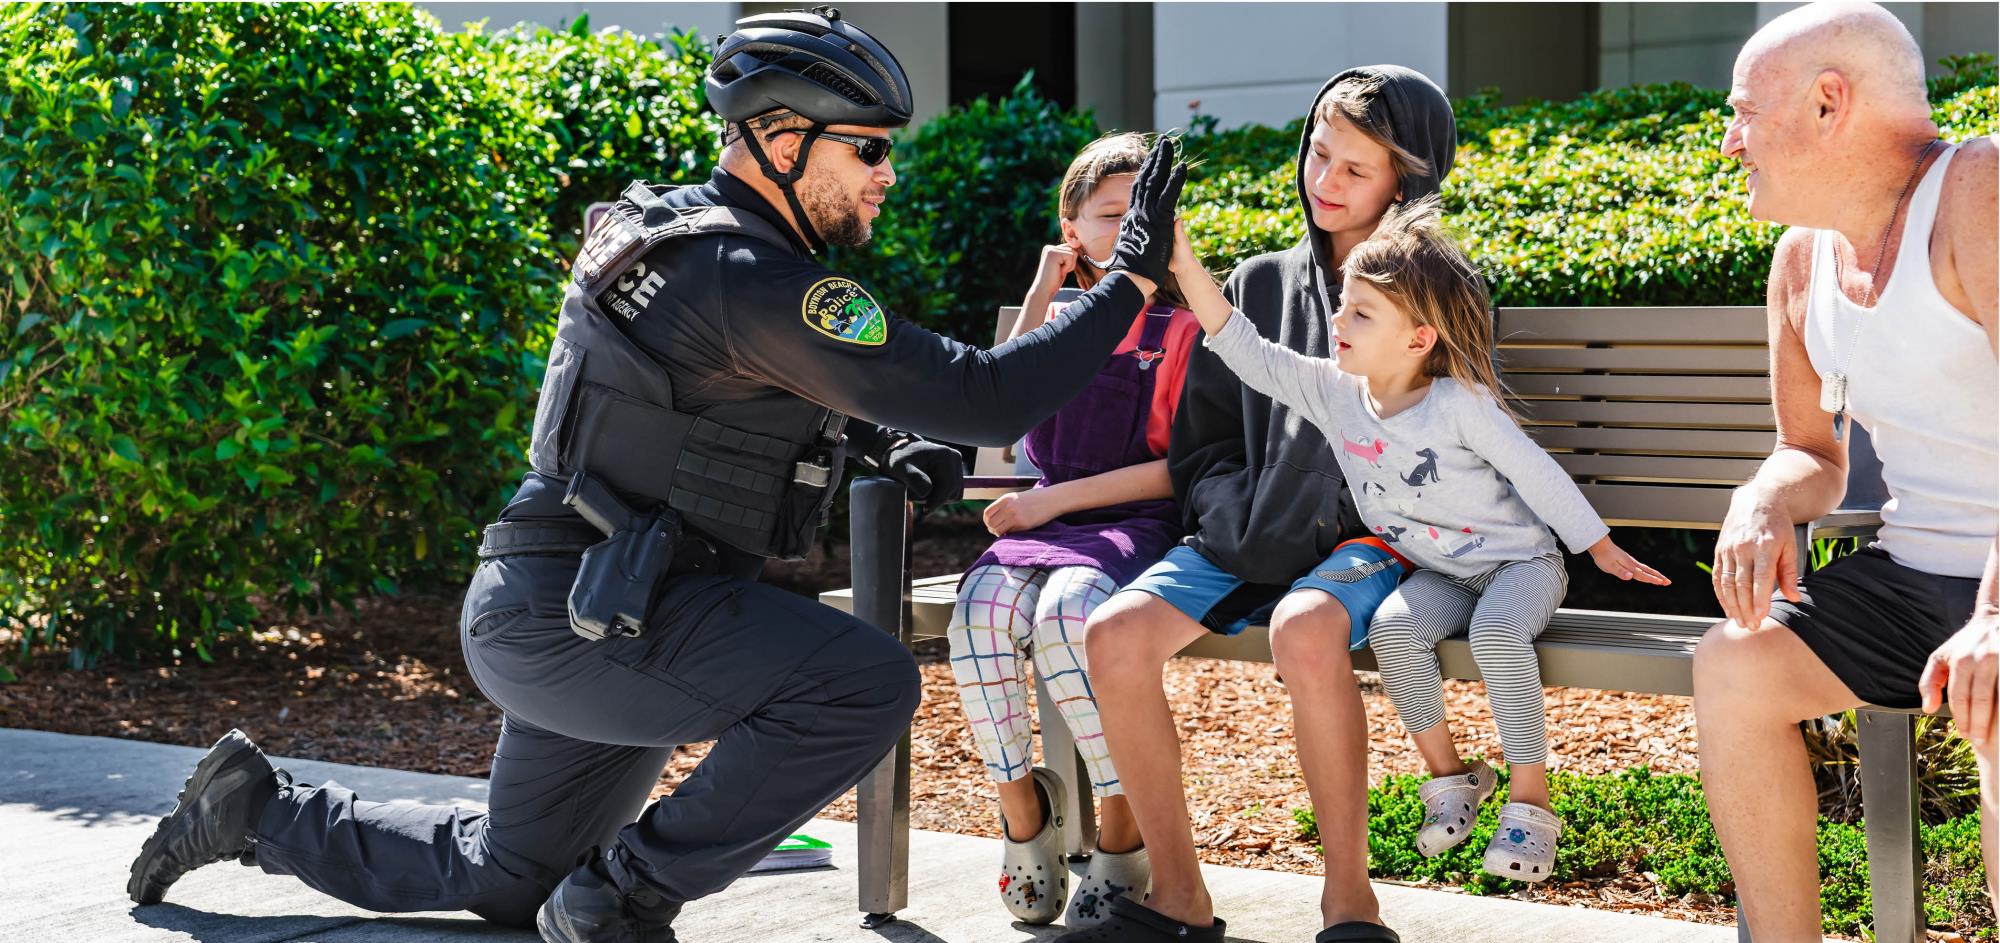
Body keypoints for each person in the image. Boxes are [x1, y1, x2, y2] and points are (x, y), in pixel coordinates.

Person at [125, 9, 1190, 943]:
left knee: (511, 873)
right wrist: (1134, 273)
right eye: (867, 147)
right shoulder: (749, 275)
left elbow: (694, 409)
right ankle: (622, 900)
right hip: (592, 611)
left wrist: (865, 446)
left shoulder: (691, 240)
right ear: (780, 138)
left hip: (583, 602)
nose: (886, 173)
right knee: (860, 684)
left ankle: (252, 808)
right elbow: (989, 397)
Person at [1054, 68, 1456, 943]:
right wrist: (1232, 511)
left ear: (1407, 183)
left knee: (1304, 629)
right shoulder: (1261, 282)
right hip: (1248, 533)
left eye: (1356, 169)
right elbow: (1204, 444)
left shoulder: (1440, 295)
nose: (1326, 181)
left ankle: (1350, 901)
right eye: (1318, 154)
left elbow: (1449, 450)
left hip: (1376, 546)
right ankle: (1178, 898)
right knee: (1114, 635)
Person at [1171, 195, 1669, 884]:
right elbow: (1245, 350)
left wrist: (1598, 546)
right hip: (1440, 571)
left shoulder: (1459, 402)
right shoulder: (1333, 389)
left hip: (1518, 565)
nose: (1338, 321)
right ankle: (1453, 776)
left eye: (1361, 313)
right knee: (1393, 631)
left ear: (1418, 339)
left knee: (1497, 634)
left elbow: (1536, 472)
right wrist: (1186, 266)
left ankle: (1530, 799)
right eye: (1342, 305)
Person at [1692, 2, 1998, 937]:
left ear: (1830, 102)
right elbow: (1813, 452)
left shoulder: (1980, 194)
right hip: (1914, 579)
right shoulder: (1800, 260)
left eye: (1745, 110)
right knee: (1735, 664)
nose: (1732, 140)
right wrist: (1763, 498)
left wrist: (1995, 614)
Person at [946, 132, 1204, 928]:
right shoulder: (1056, 318)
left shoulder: (1186, 324)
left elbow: (1180, 472)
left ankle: (1122, 828)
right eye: (1108, 214)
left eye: (1143, 213)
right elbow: (999, 426)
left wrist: (1045, 506)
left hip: (1133, 522)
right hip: (1046, 518)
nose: (1129, 229)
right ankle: (1024, 815)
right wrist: (1037, 293)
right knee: (979, 611)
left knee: (1068, 619)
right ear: (1072, 228)